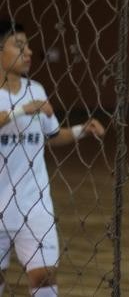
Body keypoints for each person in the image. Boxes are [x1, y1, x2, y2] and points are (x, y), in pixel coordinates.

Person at [0, 20, 106, 296]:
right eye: (19, 46)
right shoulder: (27, 102)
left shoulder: (35, 89)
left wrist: (82, 130)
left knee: (44, 277)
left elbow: (52, 135)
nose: (28, 52)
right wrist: (22, 110)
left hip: (34, 204)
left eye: (28, 46)